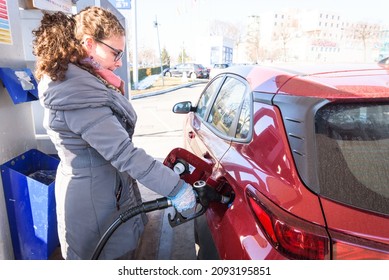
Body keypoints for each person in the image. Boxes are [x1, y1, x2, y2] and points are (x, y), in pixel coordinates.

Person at [31, 6, 196, 260]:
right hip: (94, 206)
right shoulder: (77, 93)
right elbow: (125, 154)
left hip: (107, 192)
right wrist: (176, 188)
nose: (119, 62)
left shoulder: (85, 80)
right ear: (89, 44)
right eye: (115, 53)